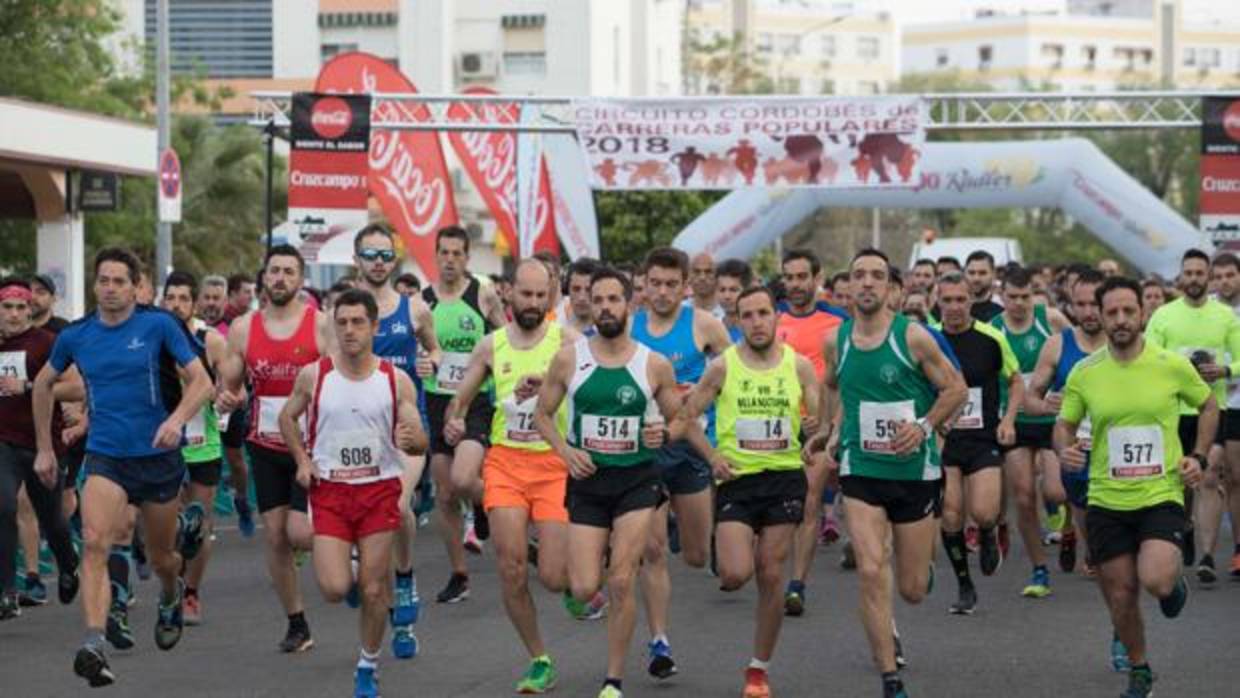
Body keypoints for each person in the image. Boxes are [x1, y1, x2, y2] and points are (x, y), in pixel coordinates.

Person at [31, 248, 211, 687]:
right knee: (95, 542)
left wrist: (175, 421)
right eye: (103, 281)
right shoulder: (77, 335)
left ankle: (170, 595)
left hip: (157, 457)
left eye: (118, 281)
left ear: (135, 286)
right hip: (107, 455)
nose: (109, 289)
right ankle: (94, 641)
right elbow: (43, 384)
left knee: (163, 557)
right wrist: (44, 449)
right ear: (94, 286)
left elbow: (202, 381)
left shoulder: (158, 325)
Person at [804, 248, 967, 698]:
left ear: (891, 288)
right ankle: (889, 676)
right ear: (848, 286)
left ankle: (922, 573)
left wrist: (923, 426)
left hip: (915, 473)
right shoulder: (837, 341)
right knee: (871, 569)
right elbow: (833, 387)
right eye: (860, 276)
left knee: (913, 588)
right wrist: (828, 430)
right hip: (862, 468)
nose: (868, 283)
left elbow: (955, 388)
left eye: (877, 275)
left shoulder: (912, 337)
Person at [1054, 276, 1214, 698]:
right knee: (1121, 594)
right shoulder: (1085, 373)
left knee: (1156, 581)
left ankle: (1172, 585)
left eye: (1129, 311)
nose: (1121, 320)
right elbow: (1065, 423)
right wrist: (1064, 450)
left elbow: (1208, 404)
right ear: (1100, 316)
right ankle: (1140, 668)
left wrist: (1197, 456)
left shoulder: (1170, 365)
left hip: (1160, 493)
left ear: (1142, 312)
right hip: (1106, 497)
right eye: (1112, 312)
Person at [532, 267, 681, 698]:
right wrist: (565, 450)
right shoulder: (568, 358)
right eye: (597, 300)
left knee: (620, 579)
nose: (604, 308)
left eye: (613, 299)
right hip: (588, 481)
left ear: (630, 303)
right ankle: (603, 568)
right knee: (581, 586)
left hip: (637, 480)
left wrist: (663, 434)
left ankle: (613, 679)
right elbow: (543, 415)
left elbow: (680, 418)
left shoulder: (652, 363)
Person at [279, 288, 428, 698]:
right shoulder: (316, 375)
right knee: (332, 588)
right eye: (341, 323)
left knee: (375, 590)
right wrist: (302, 461)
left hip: (378, 490)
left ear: (374, 327)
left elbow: (419, 443)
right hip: (330, 493)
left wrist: (411, 438)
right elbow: (288, 418)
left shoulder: (395, 381)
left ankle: (367, 663)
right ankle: (361, 575)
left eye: (358, 322)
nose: (349, 330)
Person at [673, 286, 820, 698]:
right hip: (738, 478)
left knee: (771, 571)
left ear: (777, 317)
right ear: (736, 321)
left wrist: (815, 434)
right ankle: (732, 552)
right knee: (736, 573)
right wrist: (712, 455)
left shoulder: (800, 366)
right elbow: (686, 417)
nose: (756, 322)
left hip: (785, 476)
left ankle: (758, 669)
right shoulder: (722, 366)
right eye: (747, 316)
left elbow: (819, 420)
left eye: (763, 313)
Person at [445, 259, 584, 693]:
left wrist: (546, 381)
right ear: (509, 293)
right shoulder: (490, 346)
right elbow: (461, 399)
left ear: (553, 296)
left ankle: (565, 574)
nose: (534, 303)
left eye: (542, 296)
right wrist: (455, 419)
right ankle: (540, 659)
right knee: (510, 567)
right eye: (526, 294)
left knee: (555, 577)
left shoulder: (568, 343)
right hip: (505, 462)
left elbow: (590, 383)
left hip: (553, 464)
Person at [219, 244, 333, 654]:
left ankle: (347, 551)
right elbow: (228, 384)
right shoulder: (245, 328)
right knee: (276, 538)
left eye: (289, 271)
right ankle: (297, 623)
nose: (281, 278)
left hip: (312, 446)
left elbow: (341, 381)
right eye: (274, 271)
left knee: (300, 532)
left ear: (301, 280)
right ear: (264, 278)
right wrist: (225, 397)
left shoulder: (321, 326)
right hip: (264, 444)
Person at [630, 246, 732, 680]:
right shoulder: (628, 327)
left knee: (693, 556)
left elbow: (737, 371)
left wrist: (701, 393)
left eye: (672, 284)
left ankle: (688, 529)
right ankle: (659, 642)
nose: (663, 292)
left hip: (691, 448)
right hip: (645, 450)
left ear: (685, 287)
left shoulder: (705, 325)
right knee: (651, 552)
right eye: (655, 283)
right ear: (644, 284)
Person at [352, 223, 441, 659]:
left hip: (407, 424)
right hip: (358, 428)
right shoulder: (345, 312)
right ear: (357, 260)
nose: (379, 262)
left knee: (398, 505)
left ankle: (404, 580)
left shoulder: (416, 309)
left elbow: (435, 350)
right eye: (370, 254)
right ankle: (380, 600)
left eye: (385, 254)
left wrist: (430, 362)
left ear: (395, 259)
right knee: (365, 521)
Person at [421, 226, 507, 603]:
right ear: (436, 255)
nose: (451, 260)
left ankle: (486, 505)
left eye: (458, 253)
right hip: (438, 402)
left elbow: (506, 342)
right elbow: (420, 351)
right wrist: (424, 362)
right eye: (445, 253)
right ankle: (460, 575)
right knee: (443, 494)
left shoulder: (483, 294)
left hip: (477, 401)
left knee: (462, 477)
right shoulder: (422, 303)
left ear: (467, 258)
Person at [1143, 248, 1240, 582]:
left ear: (1208, 277)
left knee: (1210, 474)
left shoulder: (1225, 317)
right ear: (1181, 277)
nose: (1195, 279)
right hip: (1172, 411)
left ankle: (1208, 556)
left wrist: (1224, 370)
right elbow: (1148, 360)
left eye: (1201, 273)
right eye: (1190, 273)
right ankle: (1183, 526)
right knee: (1180, 481)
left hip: (1213, 409)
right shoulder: (1164, 316)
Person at [935, 272, 1022, 614]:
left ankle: (988, 532)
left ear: (971, 300)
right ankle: (964, 584)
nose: (955, 307)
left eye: (961, 299)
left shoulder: (991, 338)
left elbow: (1015, 382)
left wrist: (1008, 419)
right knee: (952, 514)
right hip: (945, 441)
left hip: (983, 436)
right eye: (947, 300)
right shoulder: (929, 339)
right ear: (937, 301)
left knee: (984, 511)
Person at [0, 277, 80, 620]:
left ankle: (67, 565)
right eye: (7, 307)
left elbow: (77, 387)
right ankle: (6, 591)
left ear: (30, 309)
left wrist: (31, 386)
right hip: (3, 443)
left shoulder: (47, 343)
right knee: (3, 508)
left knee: (54, 521)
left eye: (21, 307)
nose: (15, 314)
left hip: (41, 444)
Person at [991, 266, 1071, 598]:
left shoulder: (1050, 319)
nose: (1020, 303)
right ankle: (1039, 568)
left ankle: (1068, 530)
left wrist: (1066, 391)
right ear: (1003, 296)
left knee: (1056, 491)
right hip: (1014, 421)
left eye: (1025, 297)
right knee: (1023, 496)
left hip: (1050, 419)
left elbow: (1078, 349)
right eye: (1013, 297)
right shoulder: (993, 329)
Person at [775, 248, 846, 617]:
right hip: (774, 428)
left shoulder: (837, 325)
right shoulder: (770, 321)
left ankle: (797, 584)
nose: (796, 284)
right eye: (789, 277)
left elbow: (843, 381)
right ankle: (772, 571)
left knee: (809, 501)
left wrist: (828, 424)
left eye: (803, 277)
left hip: (816, 429)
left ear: (817, 279)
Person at [160, 271, 229, 626]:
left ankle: (191, 594)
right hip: (164, 444)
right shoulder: (152, 338)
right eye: (170, 298)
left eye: (183, 299)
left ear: (195, 303)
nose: (176, 305)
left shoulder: (211, 340)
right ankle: (170, 585)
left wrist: (227, 396)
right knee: (167, 525)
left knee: (199, 524)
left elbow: (234, 386)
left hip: (203, 444)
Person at [1210, 252, 1240, 577]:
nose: (1224, 282)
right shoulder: (1207, 311)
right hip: (1223, 404)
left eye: (1230, 275)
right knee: (1233, 478)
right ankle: (1238, 550)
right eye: (1218, 277)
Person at [716, 258, 753, 343]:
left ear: (747, 290)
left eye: (733, 290)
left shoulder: (757, 327)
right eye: (722, 290)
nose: (727, 296)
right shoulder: (711, 327)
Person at [562, 258, 600, 336]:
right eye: (576, 289)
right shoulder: (555, 331)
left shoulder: (611, 335)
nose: (581, 297)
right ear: (568, 290)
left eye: (588, 290)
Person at [964, 251, 1004, 322]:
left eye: (982, 273)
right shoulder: (954, 307)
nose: (976, 278)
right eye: (971, 273)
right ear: (964, 273)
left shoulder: (1002, 310)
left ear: (993, 274)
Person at [688, 252, 725, 319]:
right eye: (697, 271)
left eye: (708, 271)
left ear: (717, 276)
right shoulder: (679, 311)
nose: (702, 277)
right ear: (689, 276)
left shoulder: (727, 312)